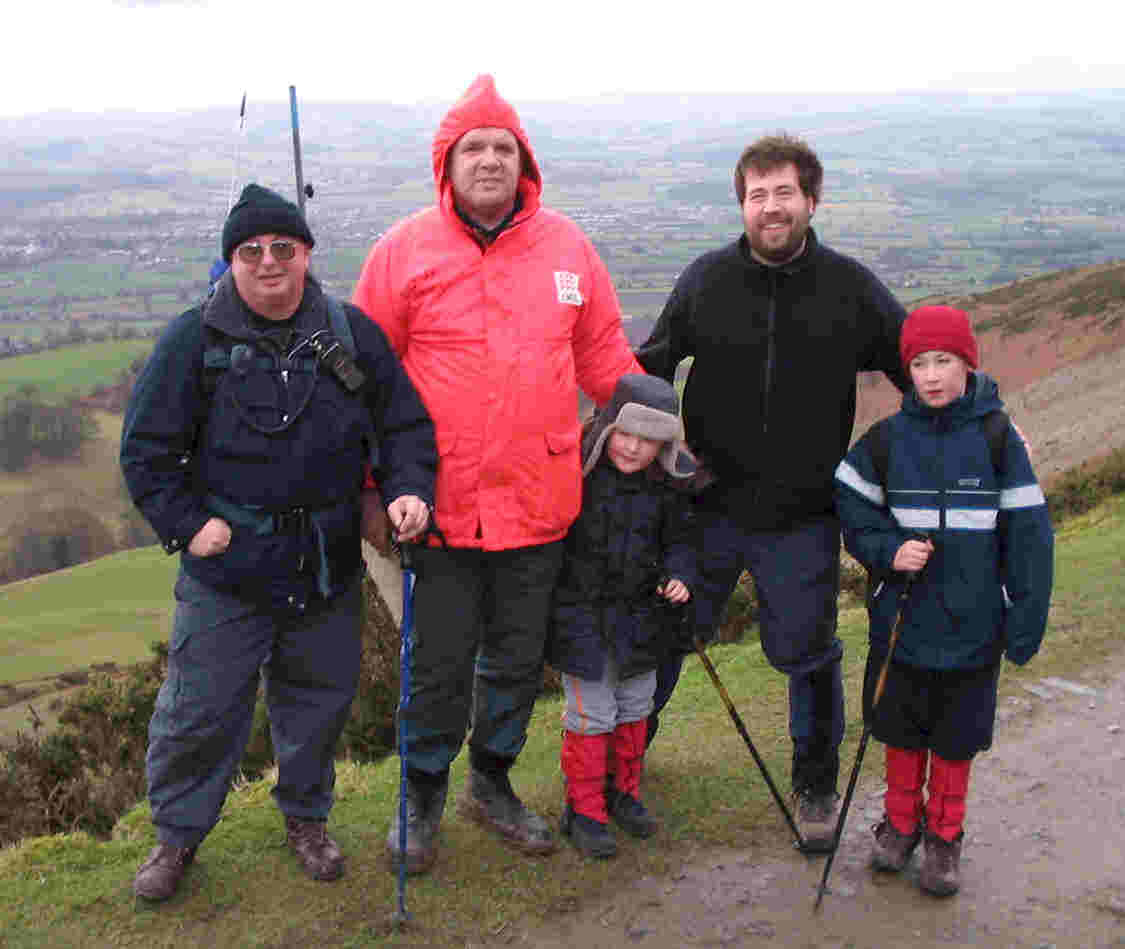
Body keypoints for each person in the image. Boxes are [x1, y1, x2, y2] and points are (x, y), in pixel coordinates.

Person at [352, 74, 641, 873]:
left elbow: (603, 357)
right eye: (472, 148)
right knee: (438, 664)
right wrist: (370, 488)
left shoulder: (568, 247)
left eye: (502, 148)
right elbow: (362, 382)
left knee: (516, 660)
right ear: (446, 164)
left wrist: (655, 412)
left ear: (524, 163)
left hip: (541, 503)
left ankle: (492, 780)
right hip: (435, 509)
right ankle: (421, 794)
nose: (488, 160)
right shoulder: (400, 252)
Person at [121, 183, 437, 902]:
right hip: (226, 573)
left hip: (326, 566)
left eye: (283, 248)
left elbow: (405, 427)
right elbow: (145, 451)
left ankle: (306, 819)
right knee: (199, 712)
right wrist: (186, 525)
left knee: (318, 704)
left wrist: (407, 488)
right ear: (231, 260)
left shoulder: (350, 333)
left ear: (306, 254)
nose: (269, 262)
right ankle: (177, 836)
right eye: (251, 250)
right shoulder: (191, 341)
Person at [636, 133, 912, 851]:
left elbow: (918, 360)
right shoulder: (705, 280)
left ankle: (814, 785)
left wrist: (983, 427)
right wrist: (637, 443)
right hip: (708, 504)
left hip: (802, 514)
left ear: (810, 200)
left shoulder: (849, 288)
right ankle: (624, 760)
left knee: (808, 652)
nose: (770, 206)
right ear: (742, 205)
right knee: (666, 632)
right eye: (757, 194)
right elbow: (650, 367)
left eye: (783, 192)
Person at [834, 304, 1053, 895]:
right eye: (921, 363)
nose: (932, 375)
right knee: (900, 732)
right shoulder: (885, 441)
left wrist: (1026, 620)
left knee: (957, 741)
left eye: (945, 361)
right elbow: (850, 503)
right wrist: (886, 551)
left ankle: (943, 840)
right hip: (902, 626)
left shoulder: (999, 438)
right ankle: (900, 827)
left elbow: (1031, 536)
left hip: (974, 628)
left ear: (967, 365)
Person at [547, 374, 697, 859]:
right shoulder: (575, 474)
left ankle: (624, 793)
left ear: (665, 445)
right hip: (582, 618)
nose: (633, 449)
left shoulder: (671, 489)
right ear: (609, 427)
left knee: (636, 707)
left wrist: (679, 574)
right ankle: (584, 810)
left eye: (649, 440)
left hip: (643, 619)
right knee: (592, 716)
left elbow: (681, 543)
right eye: (626, 435)